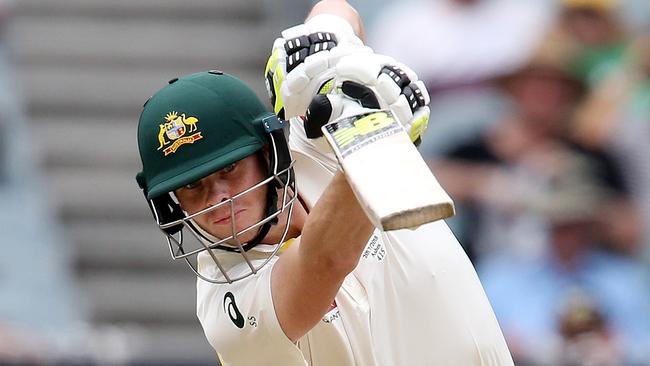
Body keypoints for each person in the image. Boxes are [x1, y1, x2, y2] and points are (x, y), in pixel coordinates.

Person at [135, 1, 513, 364]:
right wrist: (370, 125)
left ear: (269, 154)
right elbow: (326, 258)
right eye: (191, 187)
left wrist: (329, 54)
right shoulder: (225, 301)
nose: (216, 198)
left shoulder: (315, 139)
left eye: (228, 171)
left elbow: (337, 8)